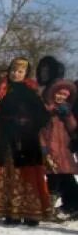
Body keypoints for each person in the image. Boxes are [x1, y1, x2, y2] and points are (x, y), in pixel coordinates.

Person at [0, 57, 53, 226]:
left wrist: (27, 122)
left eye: (19, 72)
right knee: (9, 174)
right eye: (13, 71)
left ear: (26, 74)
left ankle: (32, 213)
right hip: (5, 138)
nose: (15, 74)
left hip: (26, 139)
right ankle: (11, 212)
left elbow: (44, 116)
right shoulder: (2, 89)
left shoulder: (30, 91)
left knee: (28, 175)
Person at [40, 78, 78, 218]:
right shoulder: (44, 109)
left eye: (64, 95)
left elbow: (73, 130)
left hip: (64, 152)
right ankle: (47, 208)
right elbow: (38, 130)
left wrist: (68, 115)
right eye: (59, 94)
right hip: (50, 151)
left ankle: (72, 205)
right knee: (53, 180)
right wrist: (43, 147)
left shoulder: (66, 110)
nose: (61, 97)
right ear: (53, 93)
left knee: (67, 179)